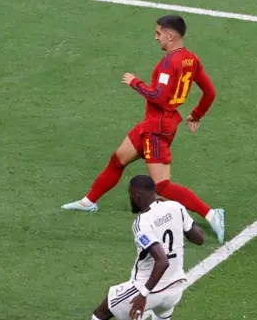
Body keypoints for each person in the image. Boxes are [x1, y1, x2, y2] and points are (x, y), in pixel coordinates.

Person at [61, 14, 225, 243]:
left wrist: (135, 83)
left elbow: (159, 96)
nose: (155, 37)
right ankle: (90, 201)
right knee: (118, 159)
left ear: (170, 35)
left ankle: (210, 214)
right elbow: (210, 92)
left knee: (162, 187)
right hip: (153, 124)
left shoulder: (170, 62)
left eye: (158, 33)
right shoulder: (191, 60)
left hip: (157, 129)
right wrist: (196, 115)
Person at [67, 175, 204, 320]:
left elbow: (162, 261)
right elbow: (199, 239)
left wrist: (143, 295)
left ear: (139, 197)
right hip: (175, 289)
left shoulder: (142, 223)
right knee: (162, 312)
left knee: (101, 313)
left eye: (131, 195)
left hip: (149, 289)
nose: (130, 199)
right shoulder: (176, 207)